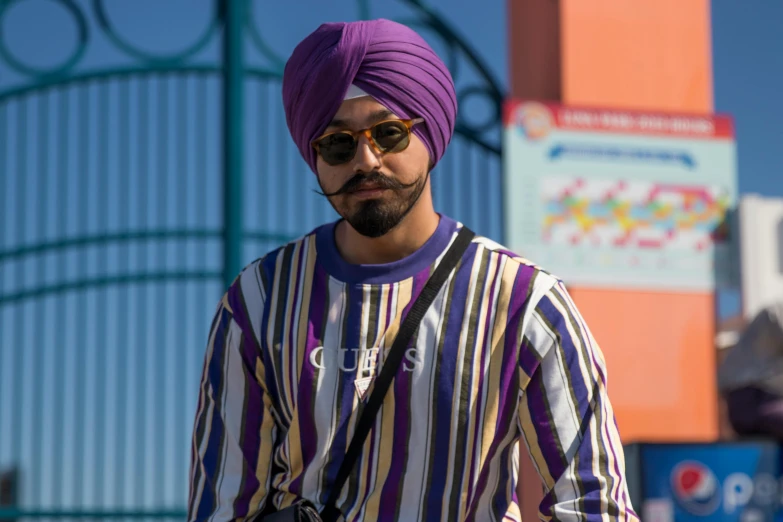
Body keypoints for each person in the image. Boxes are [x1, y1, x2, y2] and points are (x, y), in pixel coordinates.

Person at [187, 18, 638, 522]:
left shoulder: (524, 302)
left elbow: (595, 506)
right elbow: (222, 505)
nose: (366, 159)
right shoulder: (259, 299)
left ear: (431, 133)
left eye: (388, 133)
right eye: (337, 143)